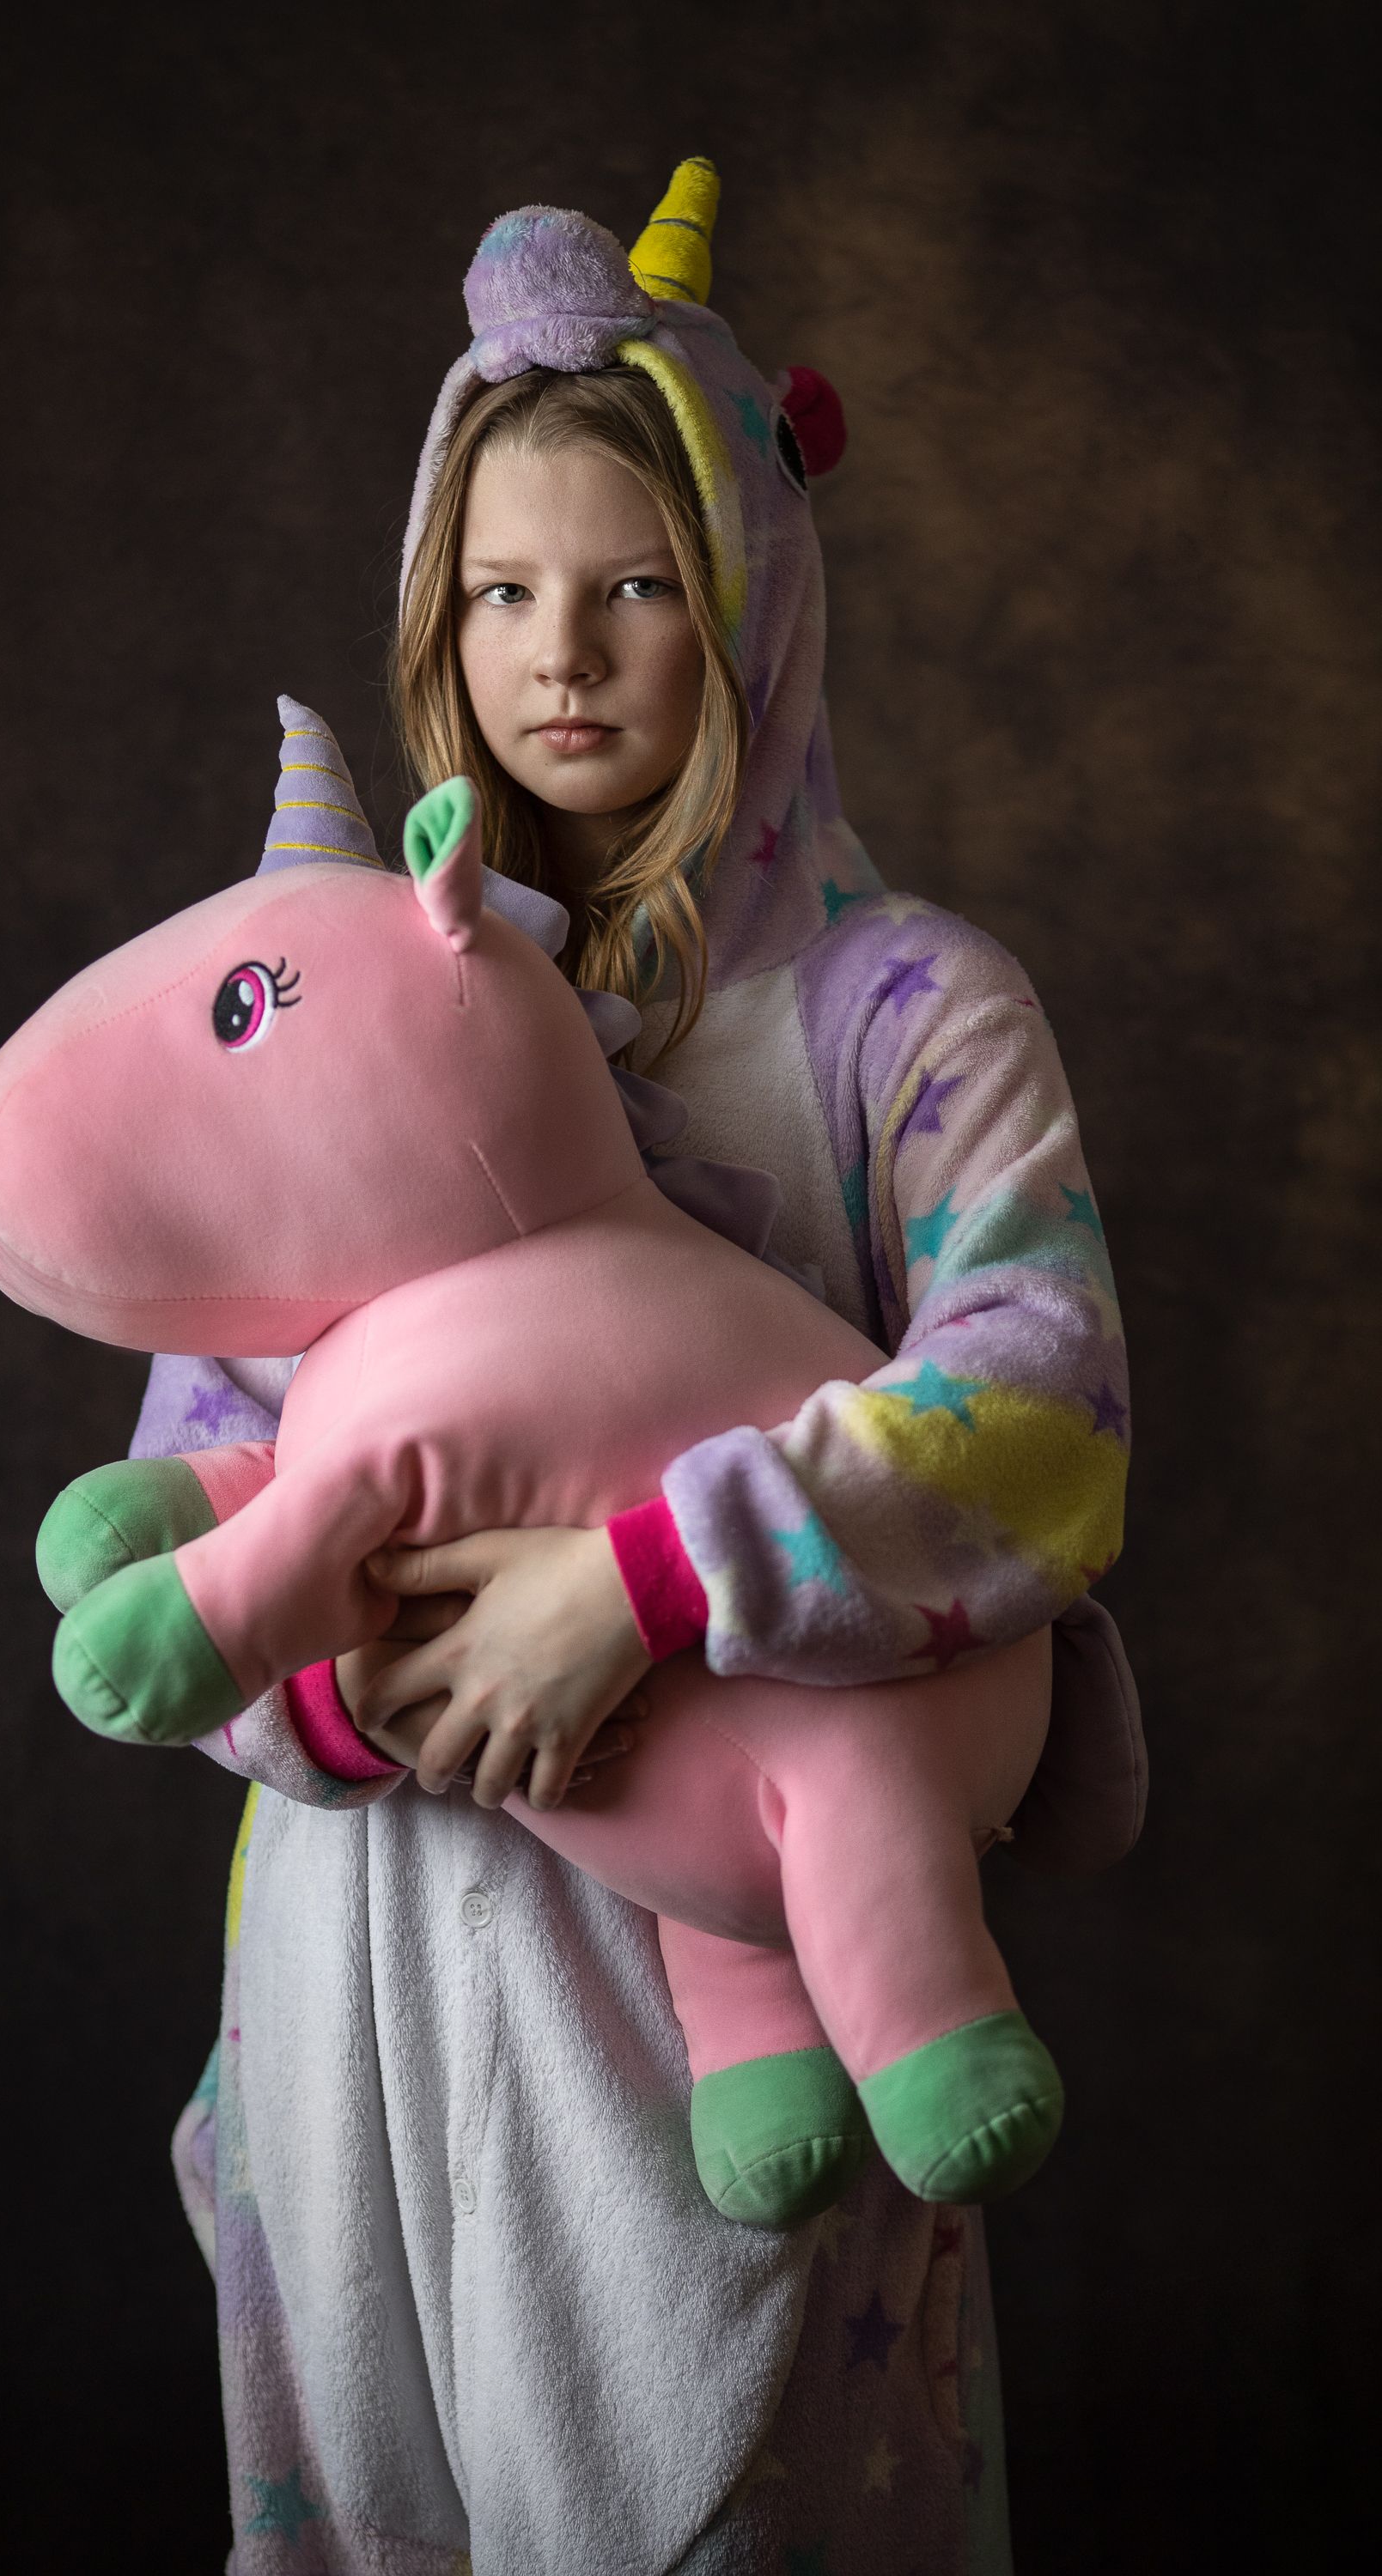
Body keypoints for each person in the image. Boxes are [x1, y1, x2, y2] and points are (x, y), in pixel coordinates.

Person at [147, 162, 1131, 2575]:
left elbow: (1041, 1407)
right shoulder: (345, 993)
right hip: (374, 1965)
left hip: (747, 1953)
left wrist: (645, 1586)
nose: (560, 655)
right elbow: (200, 1476)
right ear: (433, 612)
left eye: (636, 586)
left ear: (753, 595)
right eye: (499, 592)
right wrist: (372, 1686)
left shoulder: (906, 1015)